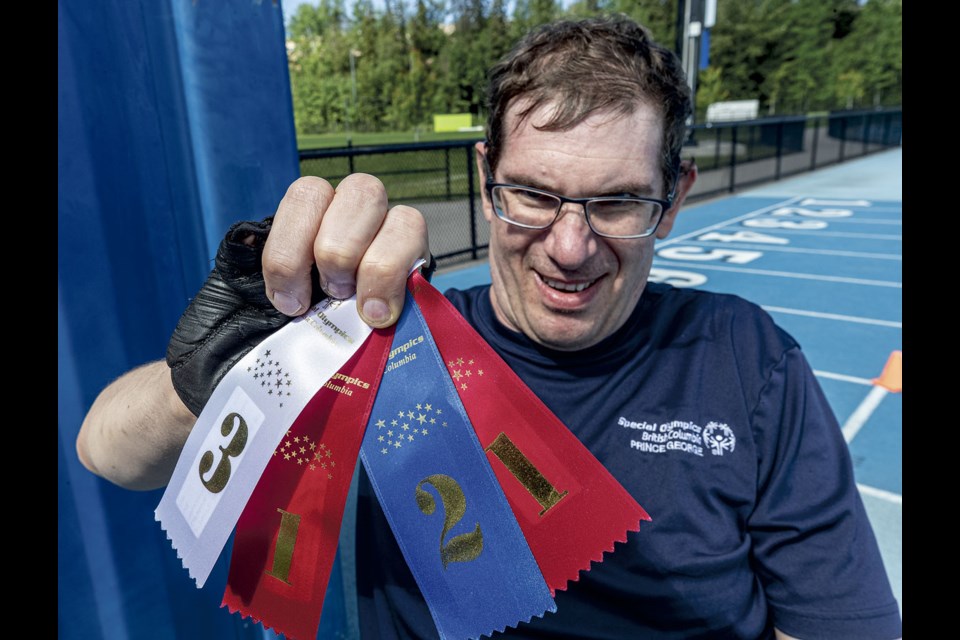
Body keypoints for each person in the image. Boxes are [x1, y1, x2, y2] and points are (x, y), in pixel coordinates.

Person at [77, 15, 902, 640]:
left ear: (676, 196)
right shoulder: (376, 344)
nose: (571, 247)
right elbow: (108, 453)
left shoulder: (746, 359)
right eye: (535, 194)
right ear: (485, 179)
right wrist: (216, 378)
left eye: (618, 202)